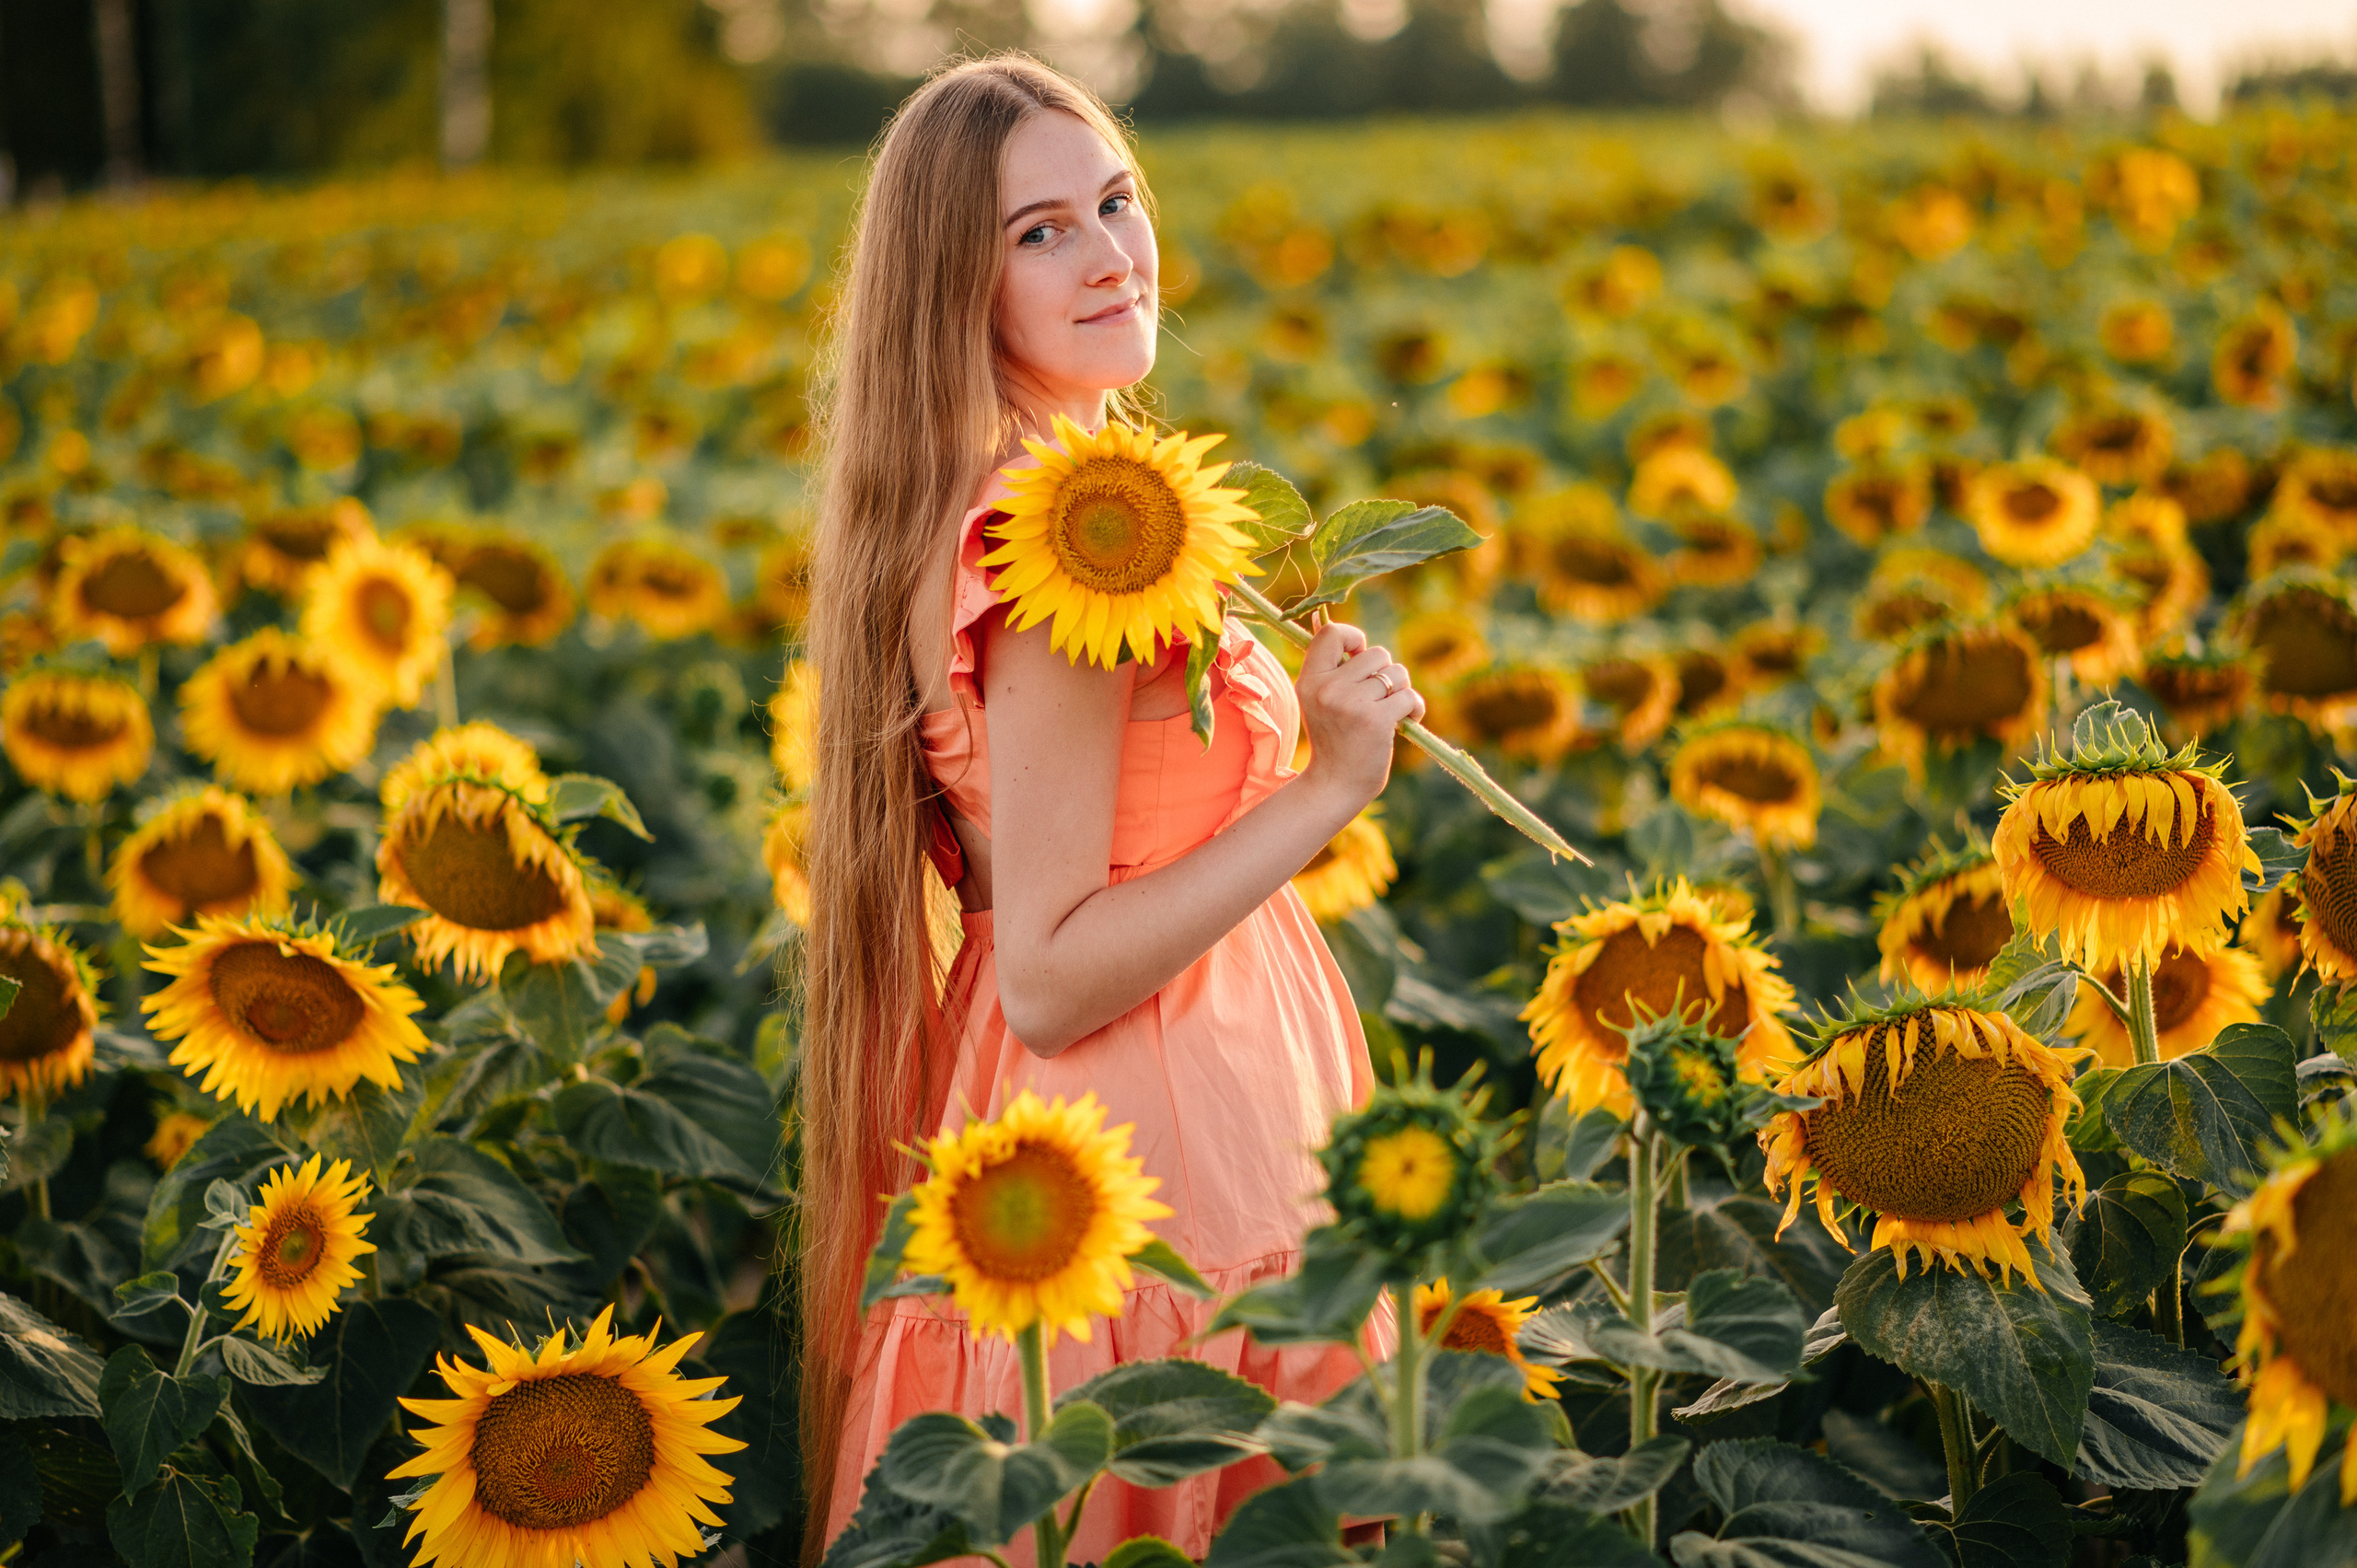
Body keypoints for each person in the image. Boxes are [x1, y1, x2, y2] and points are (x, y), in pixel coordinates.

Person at [796, 53, 1425, 1561]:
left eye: (1117, 202)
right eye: (1040, 232)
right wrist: (1332, 784)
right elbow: (1058, 970)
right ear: (959, 289)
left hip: (1177, 1115)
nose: (1109, 252)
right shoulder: (1052, 542)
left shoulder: (1080, 495)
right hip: (1148, 1143)